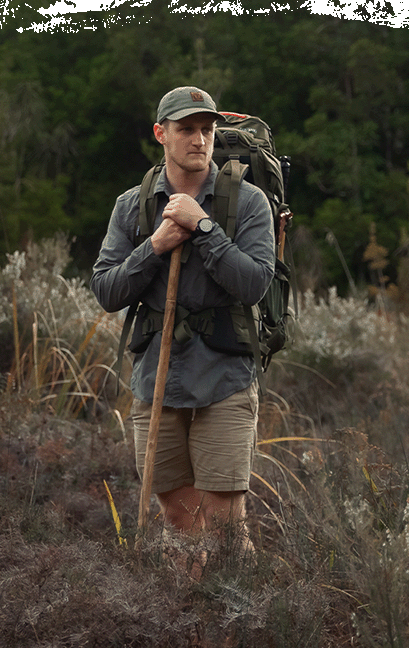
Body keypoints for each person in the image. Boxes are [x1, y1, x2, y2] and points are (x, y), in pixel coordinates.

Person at [91, 86, 274, 559]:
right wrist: (155, 245)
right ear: (161, 134)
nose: (199, 139)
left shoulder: (248, 202)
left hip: (225, 377)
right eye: (187, 129)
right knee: (178, 519)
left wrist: (203, 228)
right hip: (157, 379)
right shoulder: (132, 206)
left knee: (225, 525)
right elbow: (107, 290)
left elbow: (255, 284)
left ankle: (241, 618)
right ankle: (194, 618)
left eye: (207, 130)